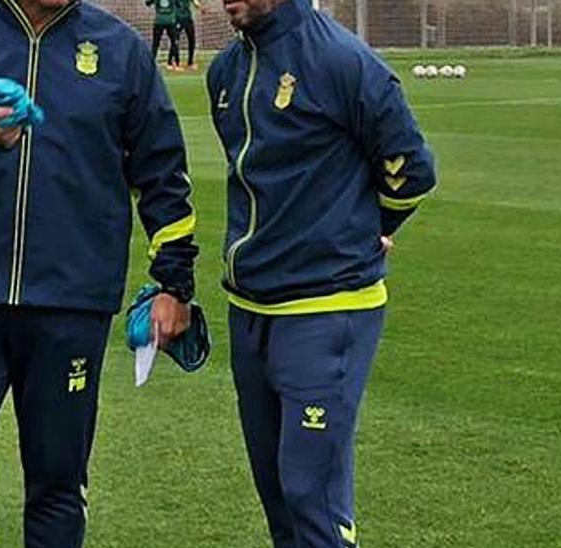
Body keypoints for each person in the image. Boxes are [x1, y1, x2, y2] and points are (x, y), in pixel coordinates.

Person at [0, 0, 198, 546]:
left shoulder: (118, 49)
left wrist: (174, 285)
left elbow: (164, 175)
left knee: (57, 483)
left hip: (71, 306)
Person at [206, 0, 437, 546]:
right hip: (250, 308)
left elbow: (413, 168)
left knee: (312, 496)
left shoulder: (342, 60)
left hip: (326, 308)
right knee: (279, 496)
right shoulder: (226, 70)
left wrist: (366, 226)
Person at [146, 0, 182, 70]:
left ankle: (151, 63)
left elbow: (148, 3)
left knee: (156, 43)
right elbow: (179, 5)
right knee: (174, 42)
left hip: (161, 22)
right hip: (168, 22)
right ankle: (176, 63)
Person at [175, 0, 201, 70]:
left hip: (188, 18)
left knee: (192, 40)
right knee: (175, 40)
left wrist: (198, 6)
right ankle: (176, 62)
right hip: (177, 18)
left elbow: (195, 3)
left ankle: (190, 62)